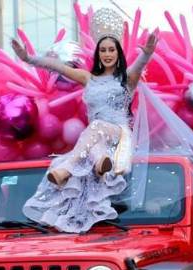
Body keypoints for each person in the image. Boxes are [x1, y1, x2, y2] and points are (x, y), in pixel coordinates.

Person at [15, 8, 158, 233]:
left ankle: (68, 168)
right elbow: (57, 66)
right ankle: (101, 162)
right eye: (103, 50)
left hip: (119, 135)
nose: (107, 54)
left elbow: (139, 66)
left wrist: (147, 53)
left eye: (111, 49)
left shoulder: (126, 78)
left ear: (117, 53)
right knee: (95, 136)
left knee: (95, 128)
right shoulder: (88, 78)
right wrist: (27, 58)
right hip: (96, 137)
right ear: (98, 54)